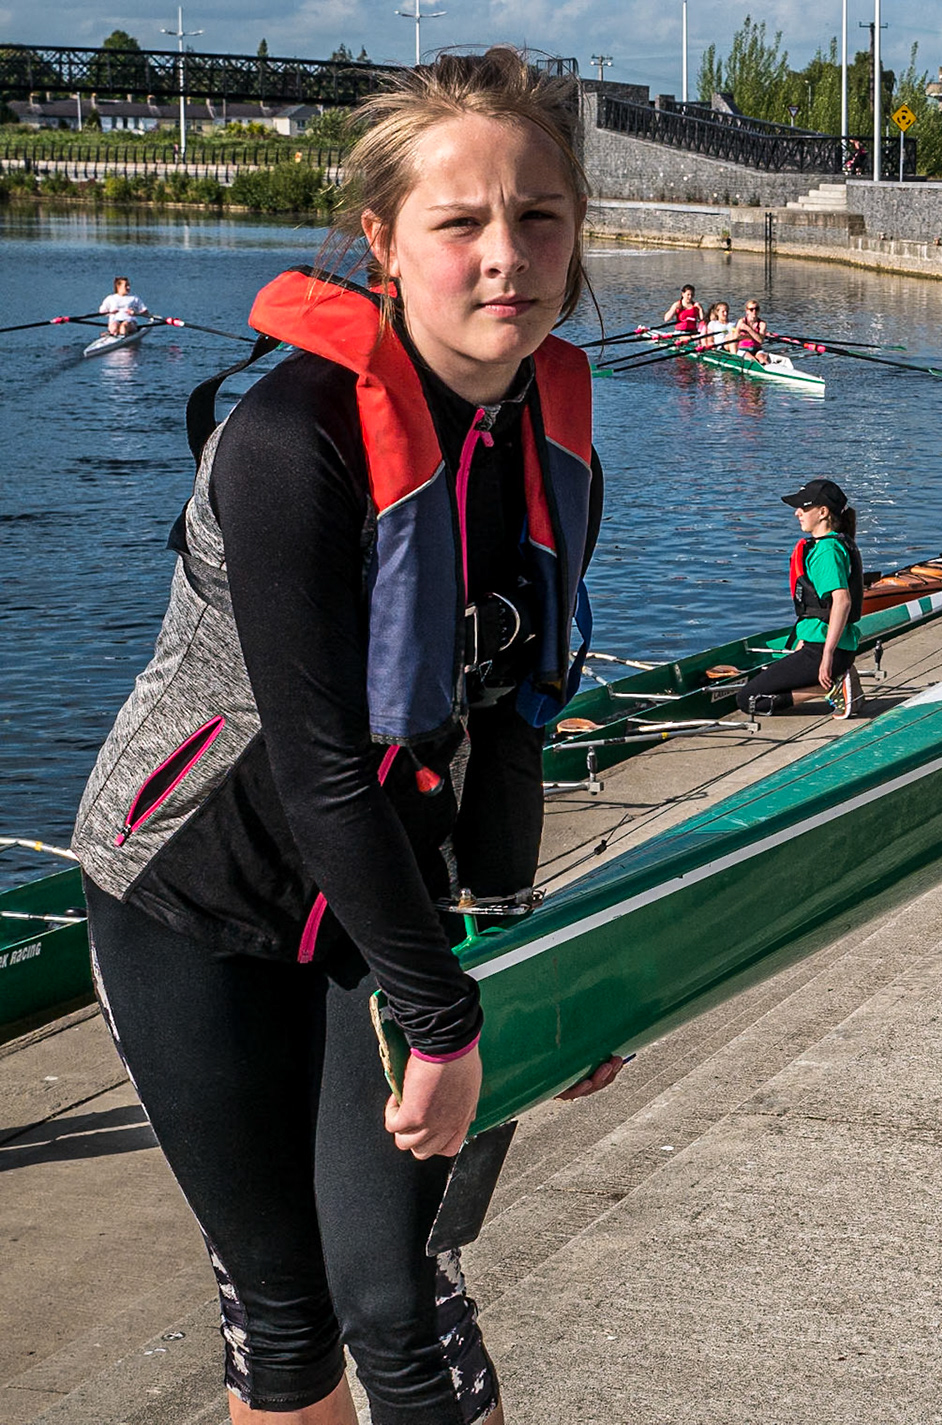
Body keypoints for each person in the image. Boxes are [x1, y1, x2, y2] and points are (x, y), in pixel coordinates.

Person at [69, 48, 623, 1425]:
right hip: (193, 901)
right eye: (463, 222)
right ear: (382, 241)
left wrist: (520, 954)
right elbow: (320, 764)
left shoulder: (549, 440)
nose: (509, 256)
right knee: (287, 1310)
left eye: (540, 215)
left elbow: (515, 720)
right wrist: (445, 1014)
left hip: (377, 908)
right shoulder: (289, 436)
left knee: (406, 1302)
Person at [736, 478, 864, 718]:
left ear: (823, 512)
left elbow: (842, 601)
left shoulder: (826, 551)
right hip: (823, 646)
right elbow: (820, 607)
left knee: (749, 700)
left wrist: (826, 654)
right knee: (773, 679)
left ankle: (831, 685)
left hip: (826, 651)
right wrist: (806, 639)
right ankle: (838, 680)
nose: (797, 513)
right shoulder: (829, 545)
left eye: (804, 508)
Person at [732, 298, 773, 365]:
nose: (754, 311)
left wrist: (748, 329)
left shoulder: (762, 324)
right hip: (743, 349)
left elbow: (760, 340)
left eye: (756, 309)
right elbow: (735, 337)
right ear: (747, 311)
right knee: (754, 361)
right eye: (751, 309)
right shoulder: (741, 321)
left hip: (757, 349)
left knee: (762, 360)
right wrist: (755, 336)